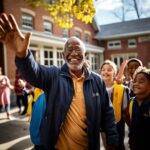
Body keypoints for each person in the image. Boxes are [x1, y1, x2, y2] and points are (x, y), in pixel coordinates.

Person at [0, 13, 118, 150]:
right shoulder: (54, 75)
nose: (73, 53)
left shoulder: (97, 81)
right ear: (63, 56)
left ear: (85, 56)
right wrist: (23, 55)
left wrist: (112, 141)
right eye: (69, 49)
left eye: (78, 49)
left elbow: (107, 114)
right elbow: (35, 72)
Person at [100, 60, 130, 150]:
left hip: (117, 125)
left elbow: (125, 110)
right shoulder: (96, 88)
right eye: (103, 69)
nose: (106, 72)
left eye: (109, 69)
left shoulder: (122, 89)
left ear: (115, 72)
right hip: (102, 125)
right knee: (107, 147)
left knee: (118, 146)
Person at [126, 67, 150, 150]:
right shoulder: (131, 102)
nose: (136, 84)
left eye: (141, 81)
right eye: (135, 81)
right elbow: (130, 123)